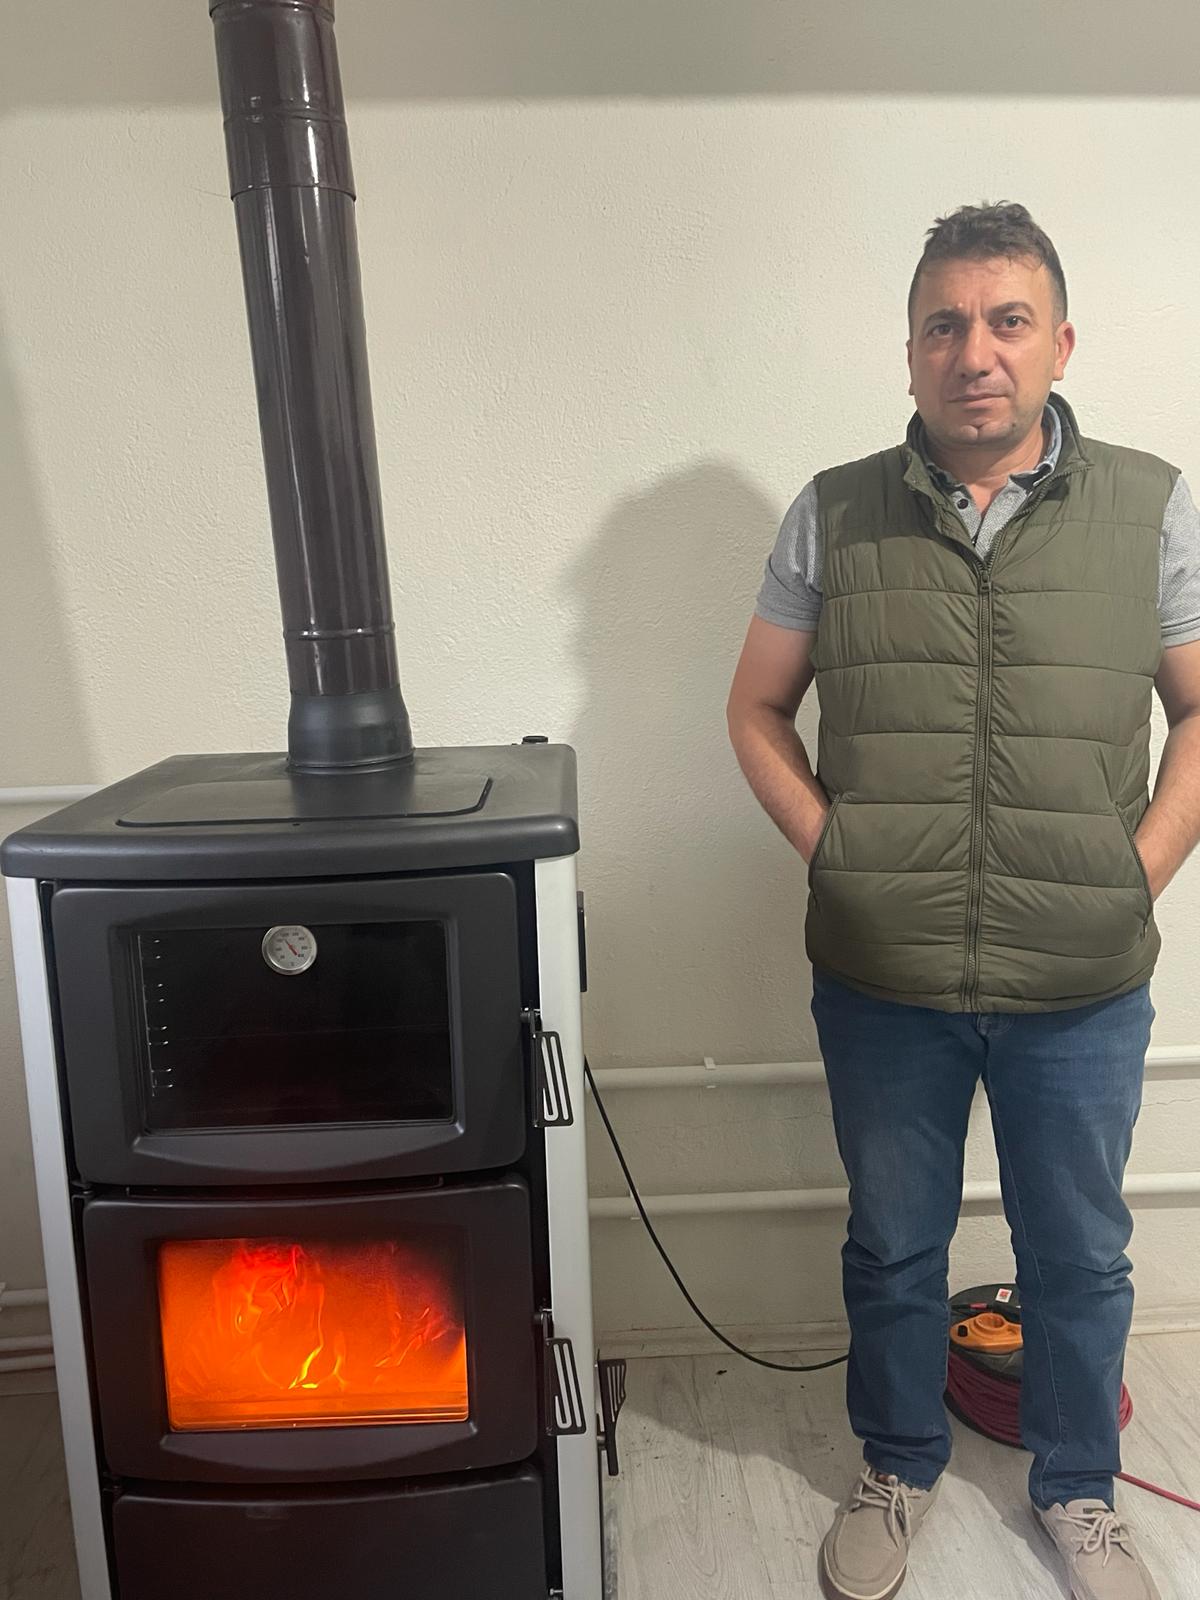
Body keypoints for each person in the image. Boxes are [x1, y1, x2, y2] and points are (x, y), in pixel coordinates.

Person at [726, 201, 1200, 1600]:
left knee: (1080, 1253)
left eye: (1006, 321)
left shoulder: (1153, 505)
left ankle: (1079, 1488)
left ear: (1061, 343)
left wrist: (1136, 870)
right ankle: (897, 1460)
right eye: (944, 324)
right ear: (911, 351)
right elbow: (755, 709)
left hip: (1082, 978)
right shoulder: (835, 509)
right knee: (893, 1244)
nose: (974, 352)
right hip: (885, 975)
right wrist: (841, 852)